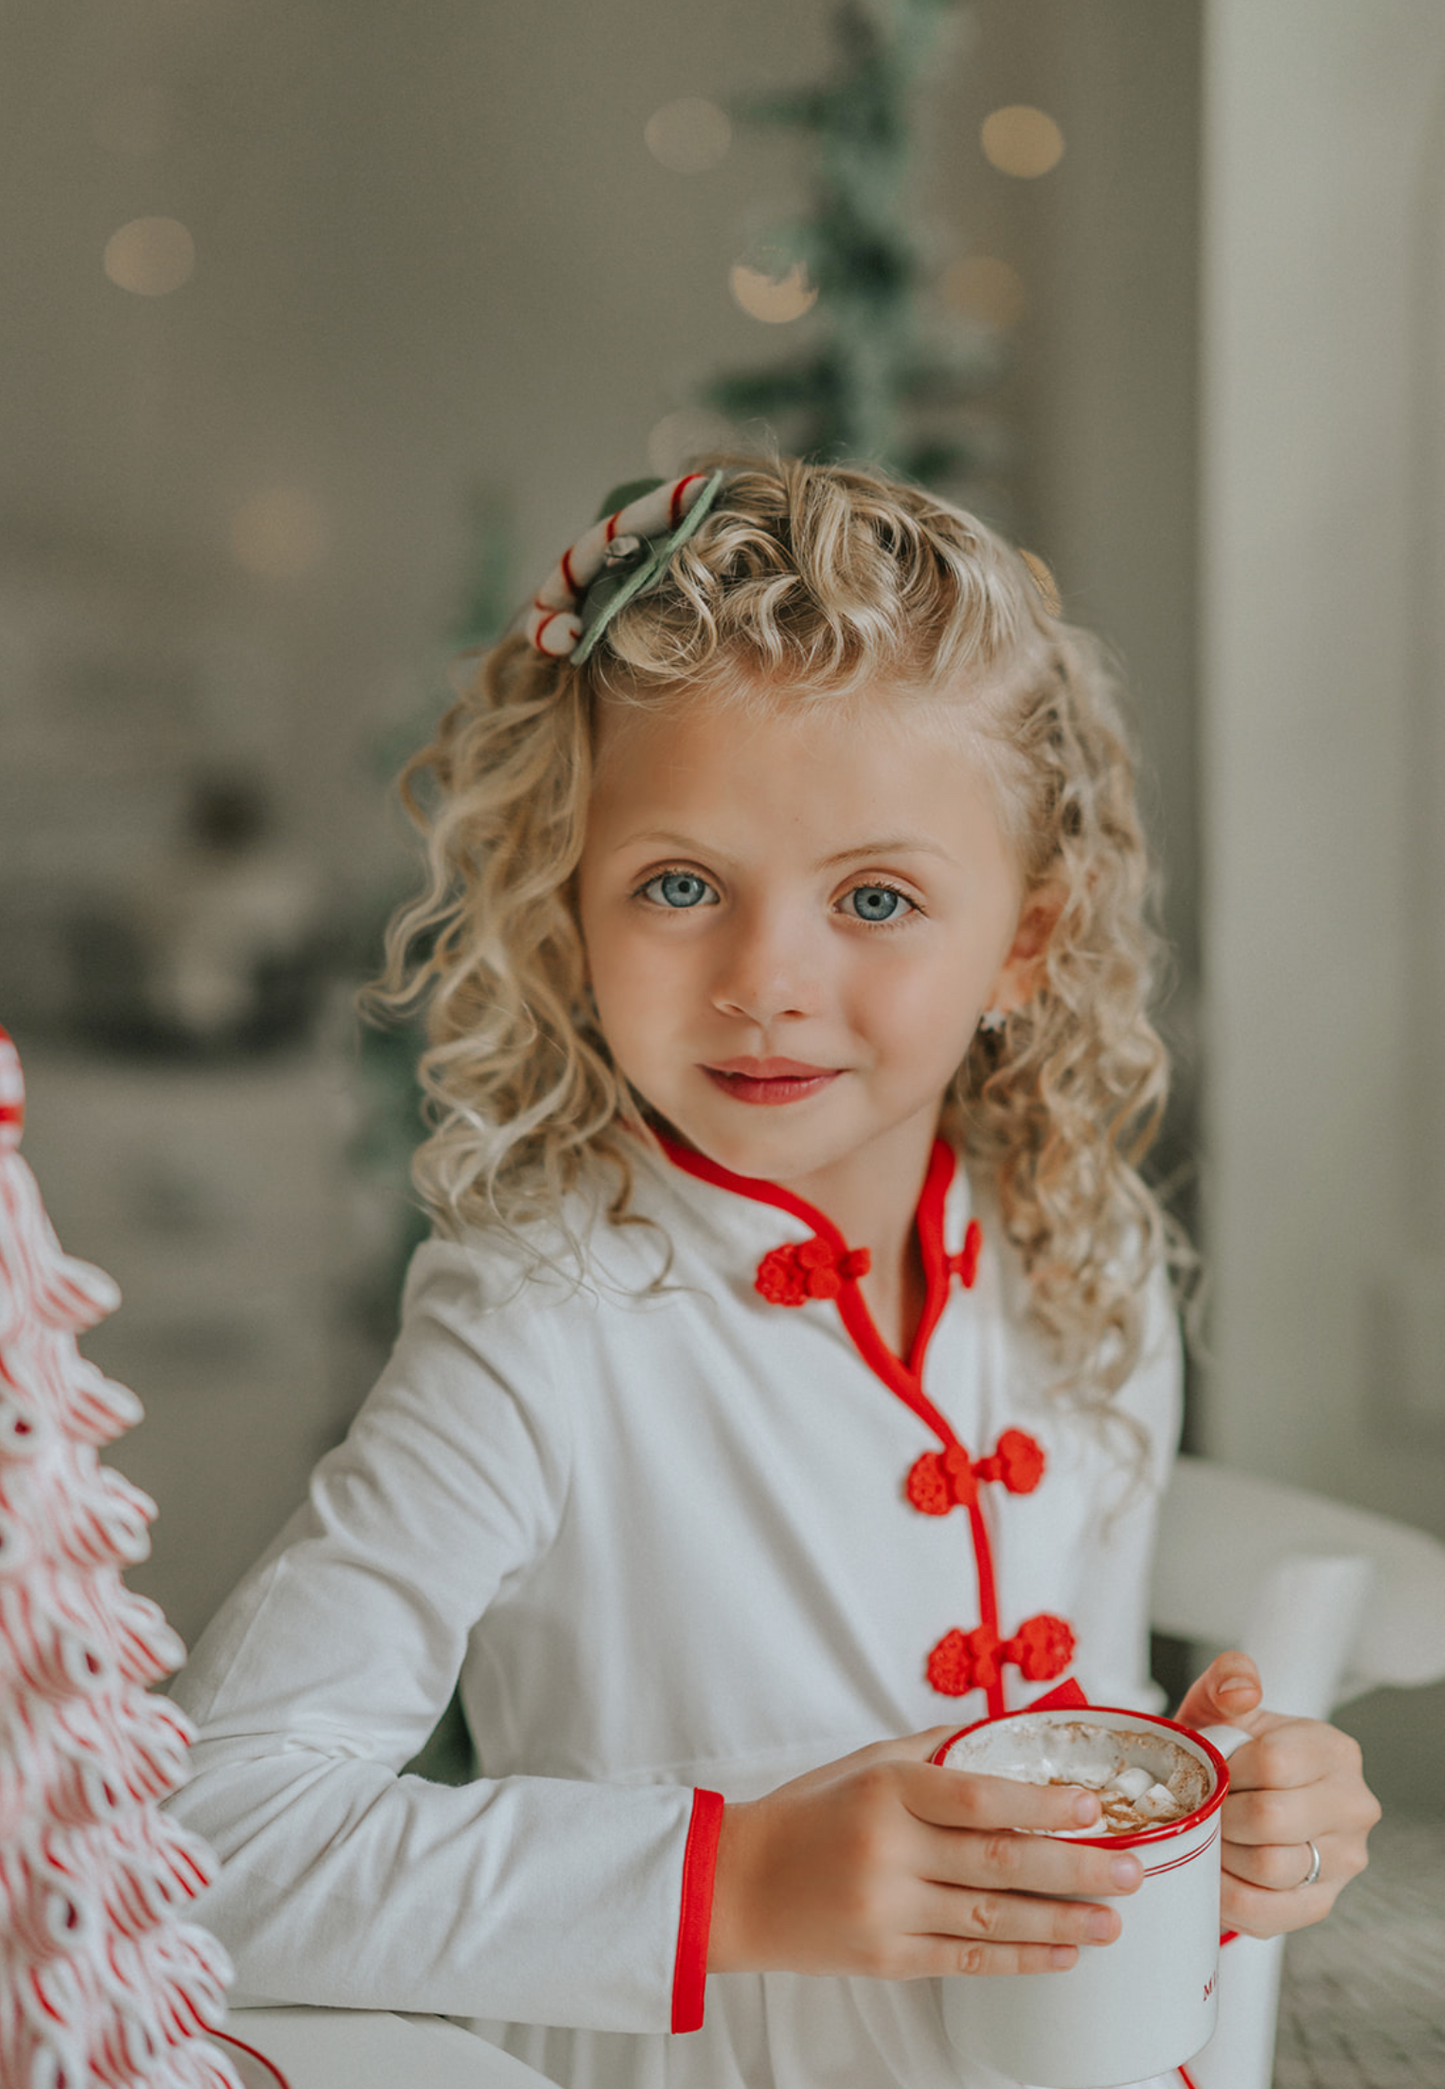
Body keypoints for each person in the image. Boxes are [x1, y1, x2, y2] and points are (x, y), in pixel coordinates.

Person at [166, 459, 1377, 2089]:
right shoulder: (541, 1324)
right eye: (680, 886)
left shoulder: (1076, 1251)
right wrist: (729, 1879)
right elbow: (200, 1843)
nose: (767, 983)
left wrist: (1238, 1809)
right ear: (568, 903)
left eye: (877, 898)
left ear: (1027, 937)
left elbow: (1084, 1699)